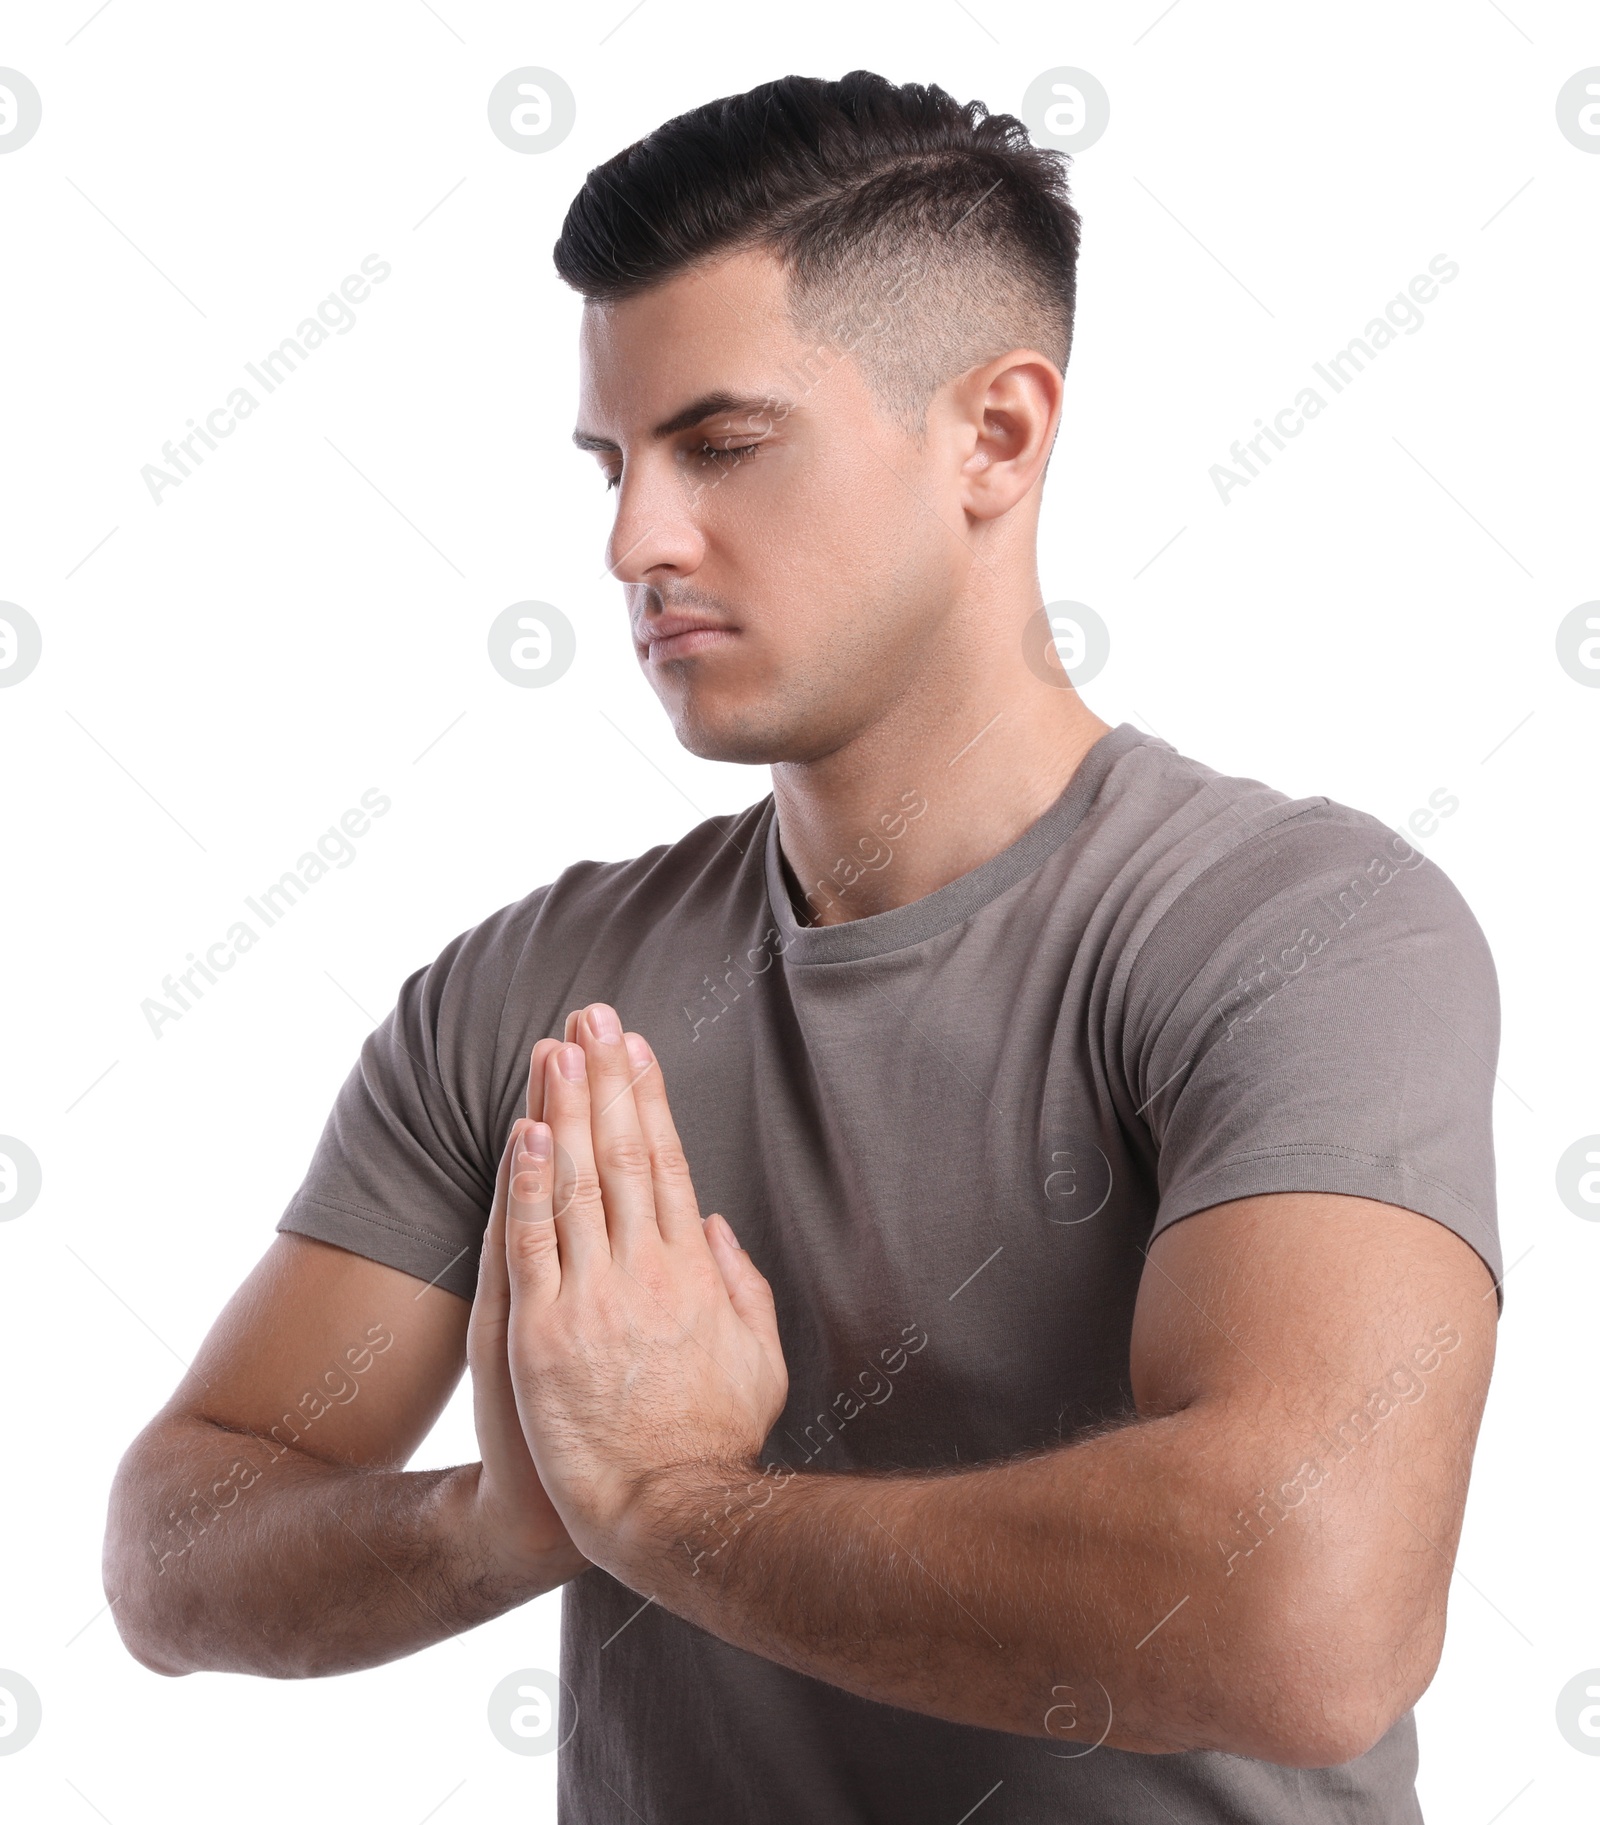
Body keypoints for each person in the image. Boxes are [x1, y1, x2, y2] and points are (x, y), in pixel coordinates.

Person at [104, 71, 1502, 1822]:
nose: (634, 543)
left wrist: (668, 1511)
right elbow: (174, 1548)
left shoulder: (1301, 930)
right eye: (613, 465)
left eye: (723, 445)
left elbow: (1310, 1614)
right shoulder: (526, 994)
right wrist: (501, 1518)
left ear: (995, 436)